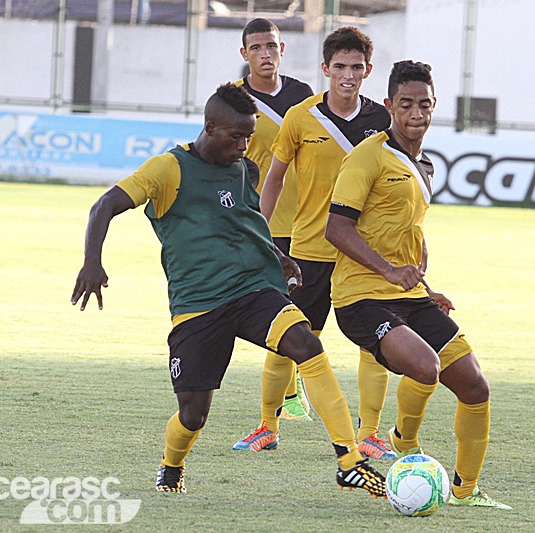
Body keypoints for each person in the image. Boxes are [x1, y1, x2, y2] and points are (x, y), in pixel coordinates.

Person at [70, 83, 386, 498]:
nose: (244, 145)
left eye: (249, 137)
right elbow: (104, 205)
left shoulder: (241, 168)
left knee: (305, 343)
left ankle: (348, 460)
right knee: (193, 415)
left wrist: (279, 255)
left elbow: (246, 220)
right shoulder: (168, 169)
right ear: (210, 127)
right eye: (237, 136)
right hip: (198, 306)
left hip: (253, 290)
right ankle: (172, 465)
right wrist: (92, 261)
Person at [325, 60, 511, 509]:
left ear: (434, 107)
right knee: (425, 367)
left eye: (424, 104)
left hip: (410, 297)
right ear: (389, 105)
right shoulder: (368, 155)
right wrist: (388, 271)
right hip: (360, 298)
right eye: (405, 104)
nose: (415, 113)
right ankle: (403, 441)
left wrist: (425, 288)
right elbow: (337, 228)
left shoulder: (423, 163)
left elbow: (402, 230)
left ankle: (466, 491)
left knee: (475, 387)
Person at [248, 26, 397, 460]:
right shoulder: (300, 117)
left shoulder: (380, 122)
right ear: (325, 69)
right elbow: (274, 179)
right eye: (339, 67)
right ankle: (268, 426)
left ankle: (369, 433)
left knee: (378, 343)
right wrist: (260, 230)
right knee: (290, 338)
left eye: (356, 68)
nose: (347, 75)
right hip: (309, 250)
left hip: (362, 254)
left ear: (368, 70)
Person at [231, 18, 316, 434]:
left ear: (283, 49)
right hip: (259, 221)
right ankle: (279, 407)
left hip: (307, 221)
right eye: (257, 47)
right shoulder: (233, 99)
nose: (266, 53)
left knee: (299, 310)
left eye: (273, 46)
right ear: (244, 54)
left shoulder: (304, 96)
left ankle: (289, 398)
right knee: (275, 310)